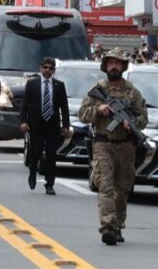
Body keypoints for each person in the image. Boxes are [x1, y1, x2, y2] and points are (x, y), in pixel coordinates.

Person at [79, 48, 148, 246]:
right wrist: (99, 110)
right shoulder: (97, 90)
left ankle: (117, 226)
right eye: (110, 63)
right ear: (105, 66)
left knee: (123, 188)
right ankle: (107, 226)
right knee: (105, 186)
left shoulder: (133, 92)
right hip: (103, 144)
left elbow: (143, 117)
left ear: (123, 66)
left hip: (126, 146)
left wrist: (132, 123)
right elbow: (83, 115)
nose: (114, 66)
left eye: (117, 63)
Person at [20, 57, 70, 195]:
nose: (47, 70)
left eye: (50, 68)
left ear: (54, 71)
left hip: (52, 125)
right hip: (35, 124)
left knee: (51, 155)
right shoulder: (32, 84)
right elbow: (24, 104)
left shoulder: (59, 85)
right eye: (45, 67)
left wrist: (66, 126)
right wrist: (23, 121)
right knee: (35, 152)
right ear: (40, 68)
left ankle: (49, 184)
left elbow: (64, 107)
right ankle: (32, 173)